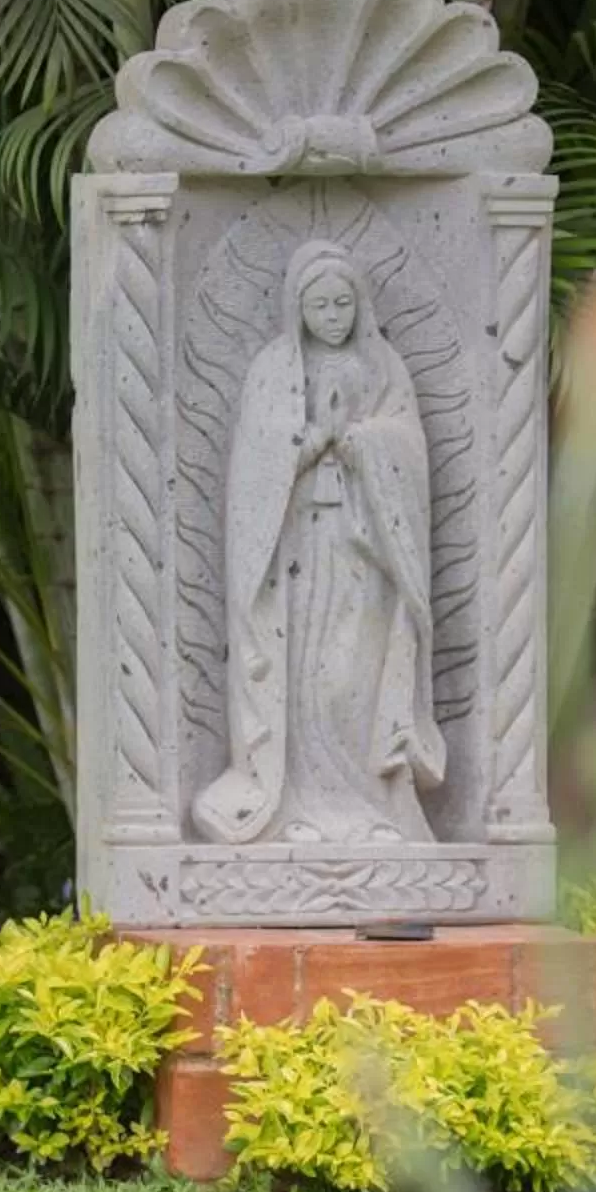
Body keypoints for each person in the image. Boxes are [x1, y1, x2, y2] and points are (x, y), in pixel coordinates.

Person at [194, 238, 445, 844]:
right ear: (297, 309)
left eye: (343, 303)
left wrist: (366, 442)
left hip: (364, 549)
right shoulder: (273, 372)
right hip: (299, 555)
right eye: (320, 306)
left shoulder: (384, 368)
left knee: (351, 679)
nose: (333, 316)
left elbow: (408, 448)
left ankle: (375, 813)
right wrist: (308, 443)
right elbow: (254, 466)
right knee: (304, 681)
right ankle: (299, 810)